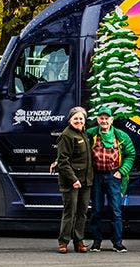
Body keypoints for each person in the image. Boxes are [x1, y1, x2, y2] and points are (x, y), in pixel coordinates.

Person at [86, 106, 135, 253]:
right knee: (96, 210)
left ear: (111, 120)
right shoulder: (90, 134)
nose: (104, 121)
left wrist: (122, 171)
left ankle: (117, 243)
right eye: (101, 118)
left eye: (107, 118)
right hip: (96, 176)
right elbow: (76, 149)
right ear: (97, 120)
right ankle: (96, 242)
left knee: (116, 210)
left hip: (114, 177)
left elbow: (130, 155)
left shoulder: (121, 136)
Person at [55, 106, 93, 254]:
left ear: (84, 120)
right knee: (70, 212)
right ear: (70, 120)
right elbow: (63, 161)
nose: (78, 121)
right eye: (75, 118)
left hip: (86, 181)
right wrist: (73, 179)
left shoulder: (84, 134)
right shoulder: (66, 135)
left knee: (82, 212)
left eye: (81, 118)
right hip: (71, 182)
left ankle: (79, 241)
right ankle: (63, 242)